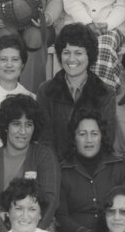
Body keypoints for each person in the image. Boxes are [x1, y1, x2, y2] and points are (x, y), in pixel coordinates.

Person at [0, 94, 60, 232]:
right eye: (16, 124)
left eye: (28, 124)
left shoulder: (45, 156)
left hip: (39, 227)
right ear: (6, 126)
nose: (22, 131)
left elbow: (51, 200)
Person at [55, 108, 125, 232]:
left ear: (102, 136)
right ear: (74, 138)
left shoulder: (120, 167)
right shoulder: (62, 171)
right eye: (82, 134)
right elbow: (61, 216)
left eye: (94, 134)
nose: (88, 140)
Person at [36, 23, 117, 161]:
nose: (71, 59)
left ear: (89, 56)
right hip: (57, 169)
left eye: (78, 53)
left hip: (92, 171)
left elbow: (106, 139)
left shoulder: (105, 93)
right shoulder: (46, 91)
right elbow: (45, 139)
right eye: (66, 52)